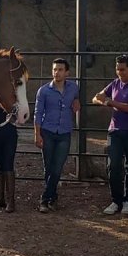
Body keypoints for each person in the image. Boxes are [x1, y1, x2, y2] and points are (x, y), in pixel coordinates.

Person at [93, 55, 128, 216]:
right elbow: (96, 97)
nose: (119, 73)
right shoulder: (115, 83)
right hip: (115, 129)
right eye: (117, 69)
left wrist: (109, 102)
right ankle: (116, 200)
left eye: (122, 69)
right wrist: (103, 100)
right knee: (113, 165)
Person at [34, 58, 80, 213]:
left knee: (57, 167)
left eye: (60, 70)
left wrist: (77, 103)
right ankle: (51, 198)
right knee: (49, 167)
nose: (57, 72)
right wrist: (37, 134)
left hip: (64, 132)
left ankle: (45, 199)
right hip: (47, 131)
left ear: (67, 72)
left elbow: (76, 101)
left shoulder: (73, 88)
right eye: (54, 69)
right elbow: (38, 113)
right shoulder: (44, 91)